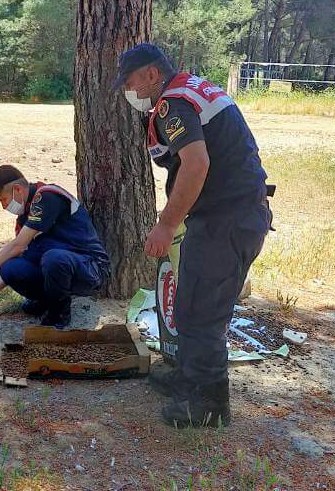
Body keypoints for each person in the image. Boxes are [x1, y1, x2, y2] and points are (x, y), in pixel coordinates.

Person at [114, 43, 272, 428]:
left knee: (202, 312)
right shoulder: (193, 89)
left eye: (131, 82)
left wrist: (167, 224)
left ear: (152, 75)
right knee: (189, 302)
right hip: (230, 214)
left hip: (226, 219)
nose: (127, 91)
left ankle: (208, 404)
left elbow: (196, 164)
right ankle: (188, 377)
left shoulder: (172, 104)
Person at [0, 165, 110, 329]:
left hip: (90, 268)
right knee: (10, 268)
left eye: (3, 200)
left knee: (54, 258)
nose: (4, 206)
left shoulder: (47, 197)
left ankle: (58, 315)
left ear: (18, 189)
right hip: (58, 268)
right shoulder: (25, 215)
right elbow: (19, 253)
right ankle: (46, 301)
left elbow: (17, 246)